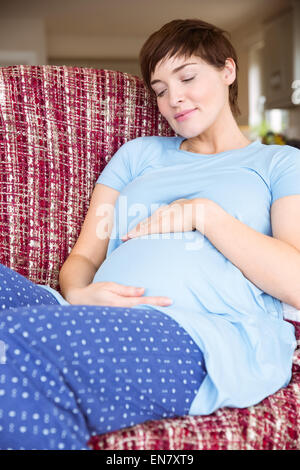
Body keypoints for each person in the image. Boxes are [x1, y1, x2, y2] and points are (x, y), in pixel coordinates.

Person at [0, 18, 299, 450]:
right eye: (159, 90)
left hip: (201, 330)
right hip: (86, 309)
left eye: (188, 77)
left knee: (14, 349)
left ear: (228, 71)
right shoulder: (138, 155)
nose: (173, 99)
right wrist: (80, 294)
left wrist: (205, 215)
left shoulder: (280, 164)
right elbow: (85, 255)